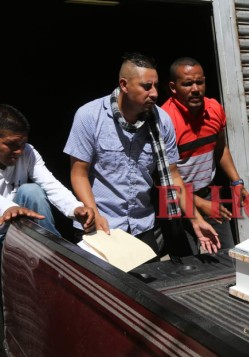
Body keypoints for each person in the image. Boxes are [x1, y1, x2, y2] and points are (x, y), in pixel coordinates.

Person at [63, 52, 220, 258]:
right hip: (99, 226)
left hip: (142, 228)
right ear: (124, 85)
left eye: (155, 85)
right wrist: (95, 213)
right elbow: (79, 174)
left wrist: (196, 219)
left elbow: (173, 176)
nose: (154, 93)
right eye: (147, 87)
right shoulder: (89, 116)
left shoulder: (161, 121)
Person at [0, 104, 95, 357]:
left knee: (33, 191)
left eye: (22, 145)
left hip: (21, 233)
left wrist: (76, 209)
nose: (18, 152)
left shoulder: (27, 153)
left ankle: (54, 266)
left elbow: (50, 184)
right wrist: (7, 208)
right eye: (11, 145)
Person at [161, 57, 248, 254]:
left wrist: (236, 181)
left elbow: (220, 149)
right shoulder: (164, 120)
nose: (195, 89)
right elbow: (164, 177)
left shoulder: (214, 109)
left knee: (227, 256)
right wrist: (201, 205)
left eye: (199, 82)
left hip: (208, 195)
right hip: (176, 203)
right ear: (173, 87)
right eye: (188, 84)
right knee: (189, 266)